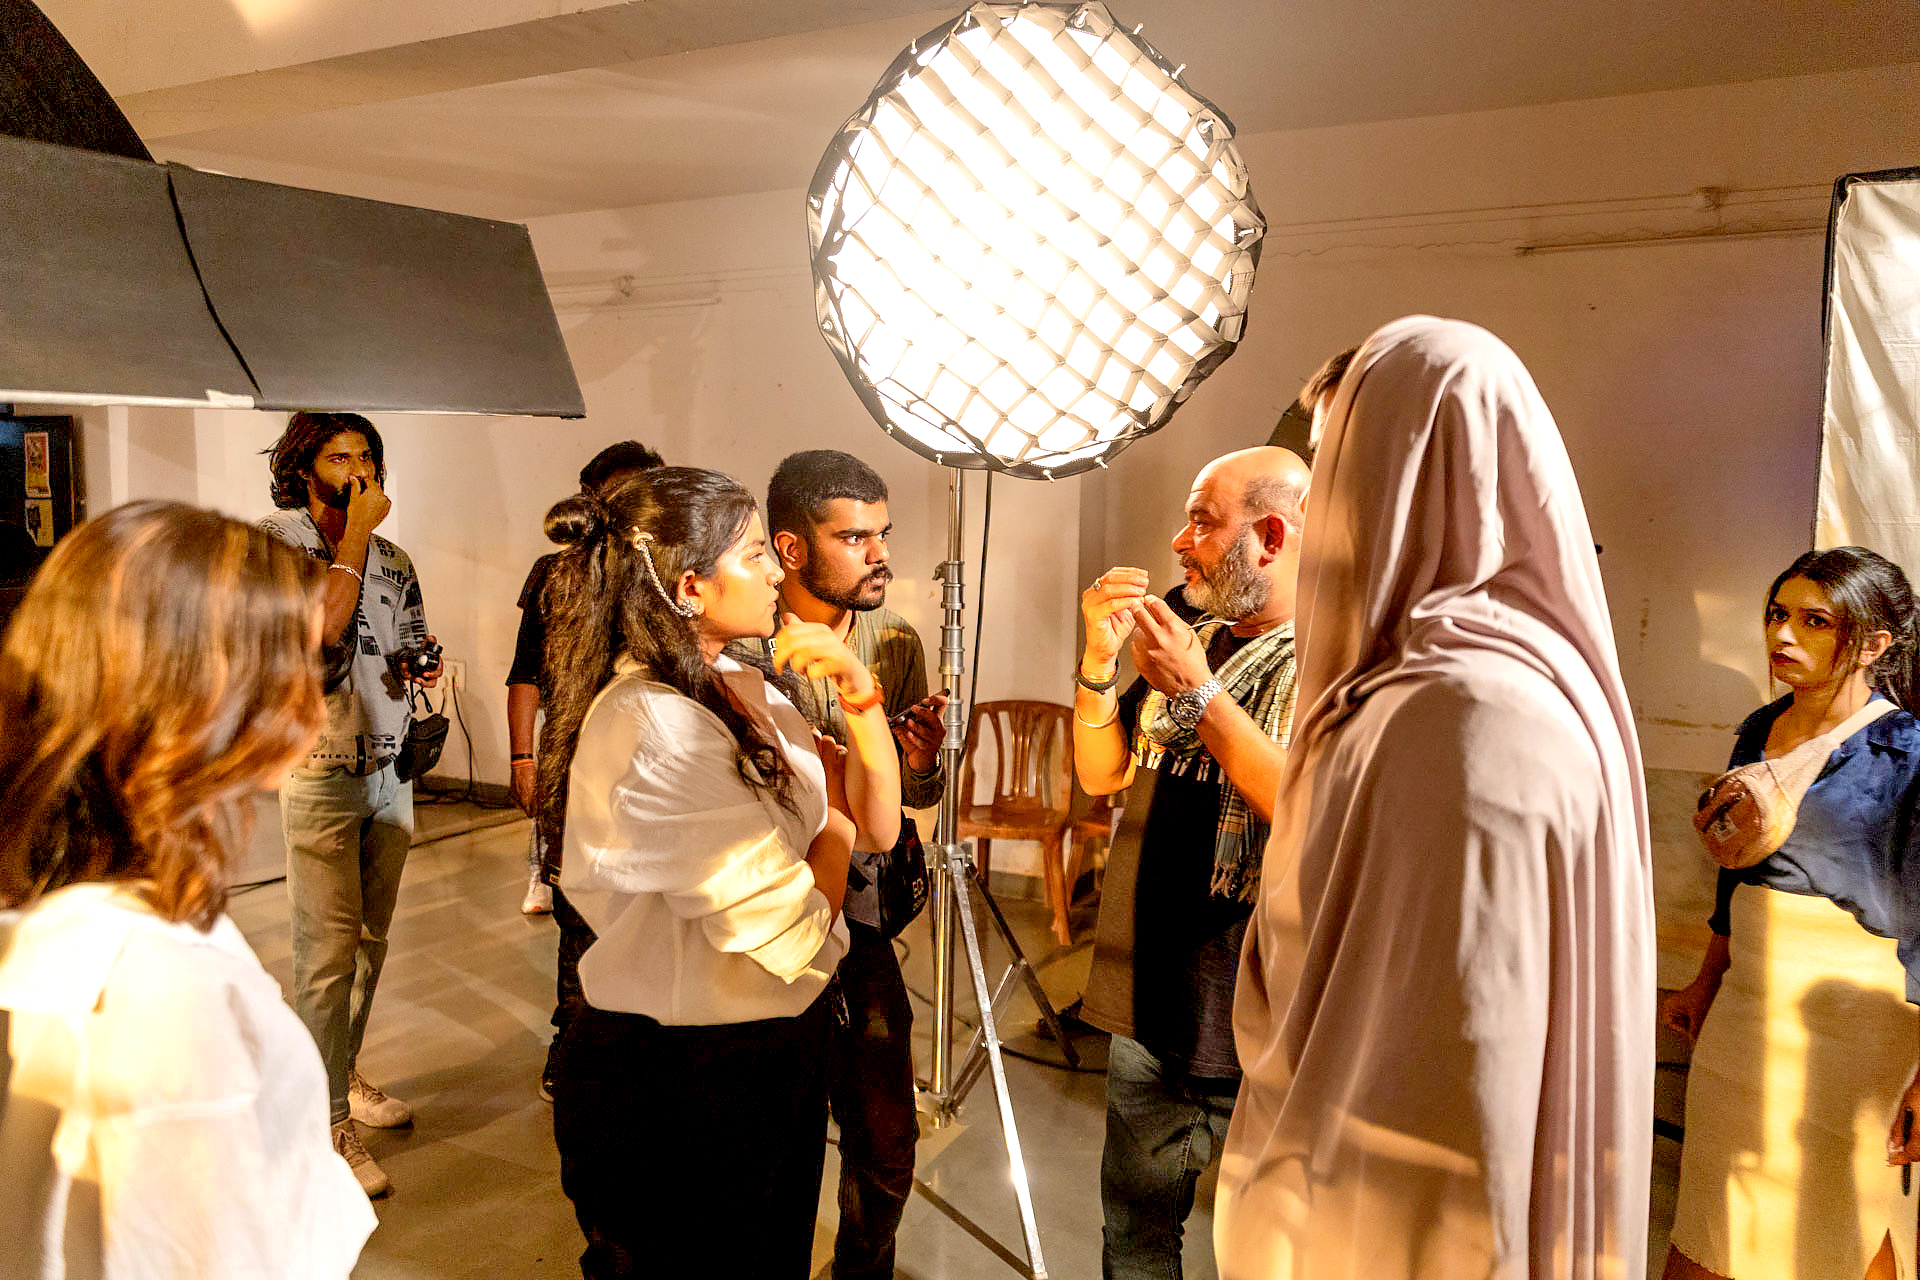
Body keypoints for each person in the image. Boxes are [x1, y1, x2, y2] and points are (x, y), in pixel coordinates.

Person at [1215, 316, 1655, 1278]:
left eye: (1338, 467)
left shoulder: (1460, 718)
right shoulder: (1505, 683)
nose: (1323, 507)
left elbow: (1438, 1094)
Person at [538, 466, 900, 1278]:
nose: (776, 573)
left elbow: (878, 828)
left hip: (769, 1054)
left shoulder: (740, 683)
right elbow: (792, 930)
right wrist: (833, 823)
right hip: (677, 1081)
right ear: (689, 587)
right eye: (753, 555)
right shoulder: (653, 724)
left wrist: (860, 696)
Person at [0, 500, 376, 1277]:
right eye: (296, 667)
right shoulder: (165, 988)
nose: (313, 703)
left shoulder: (64, 908)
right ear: (205, 693)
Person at [1074, 444, 1311, 1279]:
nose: (1180, 542)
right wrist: (1098, 664)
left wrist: (1196, 690)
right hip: (1151, 992)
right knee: (1135, 1237)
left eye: (1203, 523)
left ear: (1271, 536)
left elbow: (1301, 807)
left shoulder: (1332, 662)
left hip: (1258, 1004)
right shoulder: (1194, 637)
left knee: (1270, 1254)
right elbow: (1102, 774)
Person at [1662, 547, 1920, 1280]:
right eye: (1779, 614)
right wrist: (1706, 980)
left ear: (1873, 644)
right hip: (1746, 1008)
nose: (1783, 635)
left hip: (1853, 1024)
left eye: (1816, 622)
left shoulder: (1905, 753)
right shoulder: (1759, 729)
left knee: (1840, 1213)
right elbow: (1735, 878)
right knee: (1716, 1208)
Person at [763, 449, 948, 1280]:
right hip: (771, 916)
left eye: (884, 533)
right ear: (792, 548)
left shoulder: (894, 637)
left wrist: (921, 760)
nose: (882, 554)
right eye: (856, 538)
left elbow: (905, 797)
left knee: (886, 1142)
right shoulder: (746, 639)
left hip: (863, 917)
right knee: (780, 1139)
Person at [261, 411, 440, 1197]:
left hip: (389, 768)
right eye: (340, 457)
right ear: (305, 469)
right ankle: (322, 1121)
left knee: (369, 945)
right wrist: (357, 534)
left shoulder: (394, 559)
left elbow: (410, 638)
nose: (359, 469)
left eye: (367, 455)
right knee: (325, 958)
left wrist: (419, 665)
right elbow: (317, 632)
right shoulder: (278, 544)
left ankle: (341, 1075)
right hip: (318, 771)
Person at [504, 441, 665, 1103]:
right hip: (573, 769)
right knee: (578, 915)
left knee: (648, 911)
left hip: (651, 769)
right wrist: (522, 758)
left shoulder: (669, 573)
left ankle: (639, 1045)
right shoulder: (555, 574)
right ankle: (571, 1047)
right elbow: (525, 672)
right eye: (621, 495)